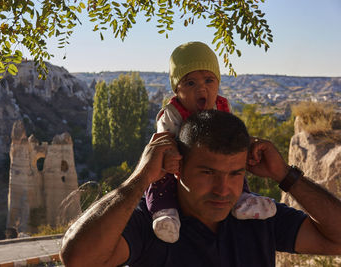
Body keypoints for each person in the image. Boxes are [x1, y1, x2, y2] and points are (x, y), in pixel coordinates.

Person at [60, 110, 341, 267]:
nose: (223, 189)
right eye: (208, 172)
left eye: (235, 174)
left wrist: (285, 175)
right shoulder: (153, 225)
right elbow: (79, 259)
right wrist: (140, 177)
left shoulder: (257, 218)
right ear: (177, 167)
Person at [149, 41, 275, 243]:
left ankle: (243, 200)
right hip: (177, 164)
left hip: (210, 165)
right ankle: (165, 214)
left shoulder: (222, 106)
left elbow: (231, 136)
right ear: (176, 89)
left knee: (232, 166)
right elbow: (164, 142)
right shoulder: (171, 114)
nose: (202, 89)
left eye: (209, 80)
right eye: (190, 83)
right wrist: (168, 157)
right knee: (159, 180)